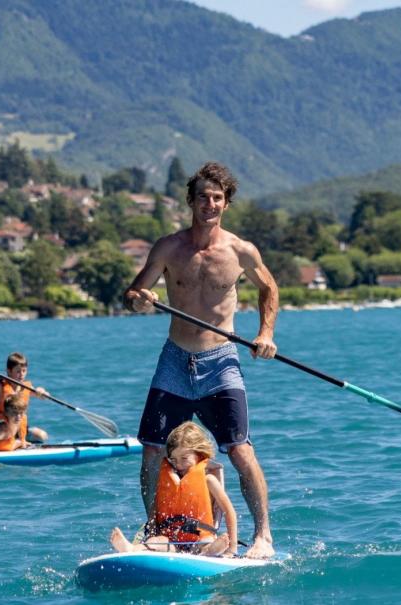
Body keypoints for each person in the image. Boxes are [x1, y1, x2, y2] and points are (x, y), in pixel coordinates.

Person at [123, 161, 279, 559]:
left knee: (240, 450)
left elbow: (269, 288)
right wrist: (142, 300)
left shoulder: (241, 251)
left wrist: (265, 334)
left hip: (221, 363)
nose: (209, 203)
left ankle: (262, 536)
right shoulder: (168, 248)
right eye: (203, 196)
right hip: (174, 362)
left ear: (225, 204)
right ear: (191, 201)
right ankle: (159, 532)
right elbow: (133, 295)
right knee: (152, 450)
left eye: (217, 197)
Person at [110, 421, 238, 557]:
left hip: (200, 538)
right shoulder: (168, 482)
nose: (179, 465)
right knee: (157, 541)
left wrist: (233, 548)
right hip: (172, 540)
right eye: (174, 460)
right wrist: (153, 535)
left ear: (199, 454)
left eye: (184, 458)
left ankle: (212, 550)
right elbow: (155, 512)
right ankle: (132, 549)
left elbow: (229, 511)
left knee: (205, 543)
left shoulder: (209, 480)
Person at [0, 352, 49, 443]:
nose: (21, 374)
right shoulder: (0, 386)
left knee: (42, 436)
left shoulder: (26, 387)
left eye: (24, 371)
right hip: (1, 428)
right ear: (9, 371)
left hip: (18, 429)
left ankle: (22, 442)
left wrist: (42, 391)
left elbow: (45, 397)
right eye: (18, 371)